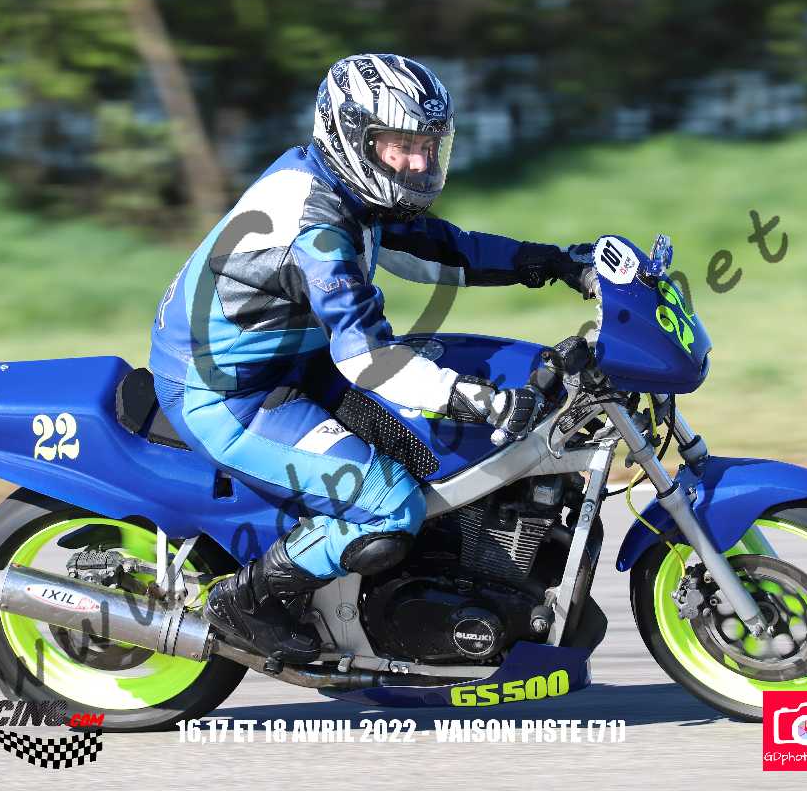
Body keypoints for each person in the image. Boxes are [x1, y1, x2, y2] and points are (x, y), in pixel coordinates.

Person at [149, 53, 597, 663]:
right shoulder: (314, 229)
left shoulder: (344, 188)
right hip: (229, 395)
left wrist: (555, 261)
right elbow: (367, 357)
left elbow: (440, 251)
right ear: (351, 136)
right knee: (390, 505)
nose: (418, 162)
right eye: (401, 145)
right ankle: (245, 601)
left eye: (427, 145)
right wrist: (474, 398)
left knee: (432, 450)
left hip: (297, 364)